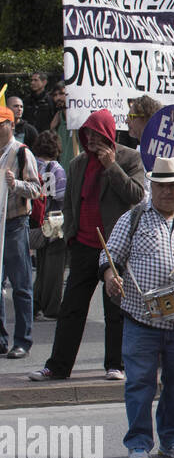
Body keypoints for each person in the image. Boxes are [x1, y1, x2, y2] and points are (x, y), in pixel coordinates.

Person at [100, 157, 174, 458]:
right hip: (142, 319)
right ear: (151, 186)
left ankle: (173, 439)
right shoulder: (133, 219)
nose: (167, 192)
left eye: (173, 186)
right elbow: (109, 256)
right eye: (161, 186)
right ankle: (138, 443)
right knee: (139, 384)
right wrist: (111, 277)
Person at [29, 108, 146, 381]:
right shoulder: (78, 163)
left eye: (96, 133)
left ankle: (114, 364)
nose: (91, 139)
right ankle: (57, 366)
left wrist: (111, 166)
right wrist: (71, 235)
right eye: (87, 133)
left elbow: (136, 194)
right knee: (71, 309)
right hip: (83, 245)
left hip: (114, 248)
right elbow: (71, 203)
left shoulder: (130, 158)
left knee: (114, 308)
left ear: (108, 133)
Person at [0, 106, 42, 358]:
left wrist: (15, 184)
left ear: (10, 125)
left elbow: (37, 190)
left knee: (21, 285)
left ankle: (22, 341)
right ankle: (1, 339)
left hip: (15, 224)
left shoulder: (22, 153)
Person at [32, 130, 67, 320]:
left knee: (41, 265)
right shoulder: (56, 168)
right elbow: (61, 196)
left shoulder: (32, 164)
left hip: (37, 221)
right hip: (54, 222)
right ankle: (52, 306)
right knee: (54, 266)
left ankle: (35, 302)